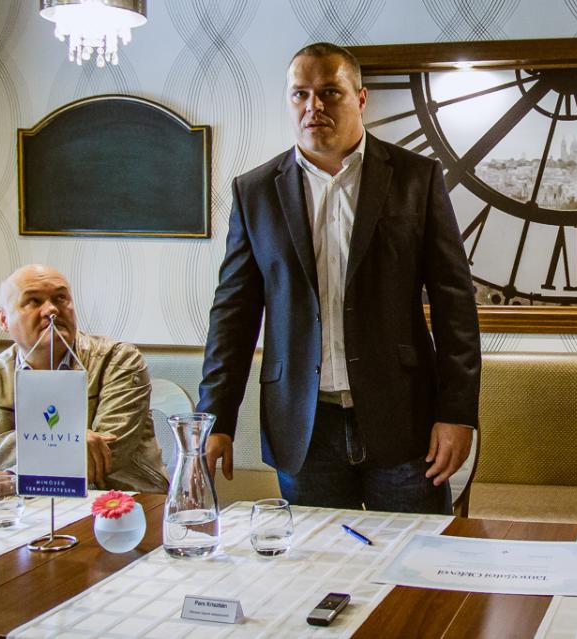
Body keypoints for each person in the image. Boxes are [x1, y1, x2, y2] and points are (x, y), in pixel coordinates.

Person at [197, 42, 480, 514]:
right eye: (300, 94)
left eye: (330, 91)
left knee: (417, 555)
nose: (314, 106)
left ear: (360, 98)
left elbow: (456, 307)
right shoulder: (255, 192)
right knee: (317, 558)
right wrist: (215, 418)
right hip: (303, 428)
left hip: (404, 420)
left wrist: (457, 413)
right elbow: (233, 315)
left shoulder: (417, 178)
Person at [0, 264, 168, 502]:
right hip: (28, 509)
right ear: (3, 319)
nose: (52, 310)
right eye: (33, 301)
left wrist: (14, 478)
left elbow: (106, 453)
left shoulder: (118, 360)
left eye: (61, 298)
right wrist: (67, 439)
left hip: (124, 503)